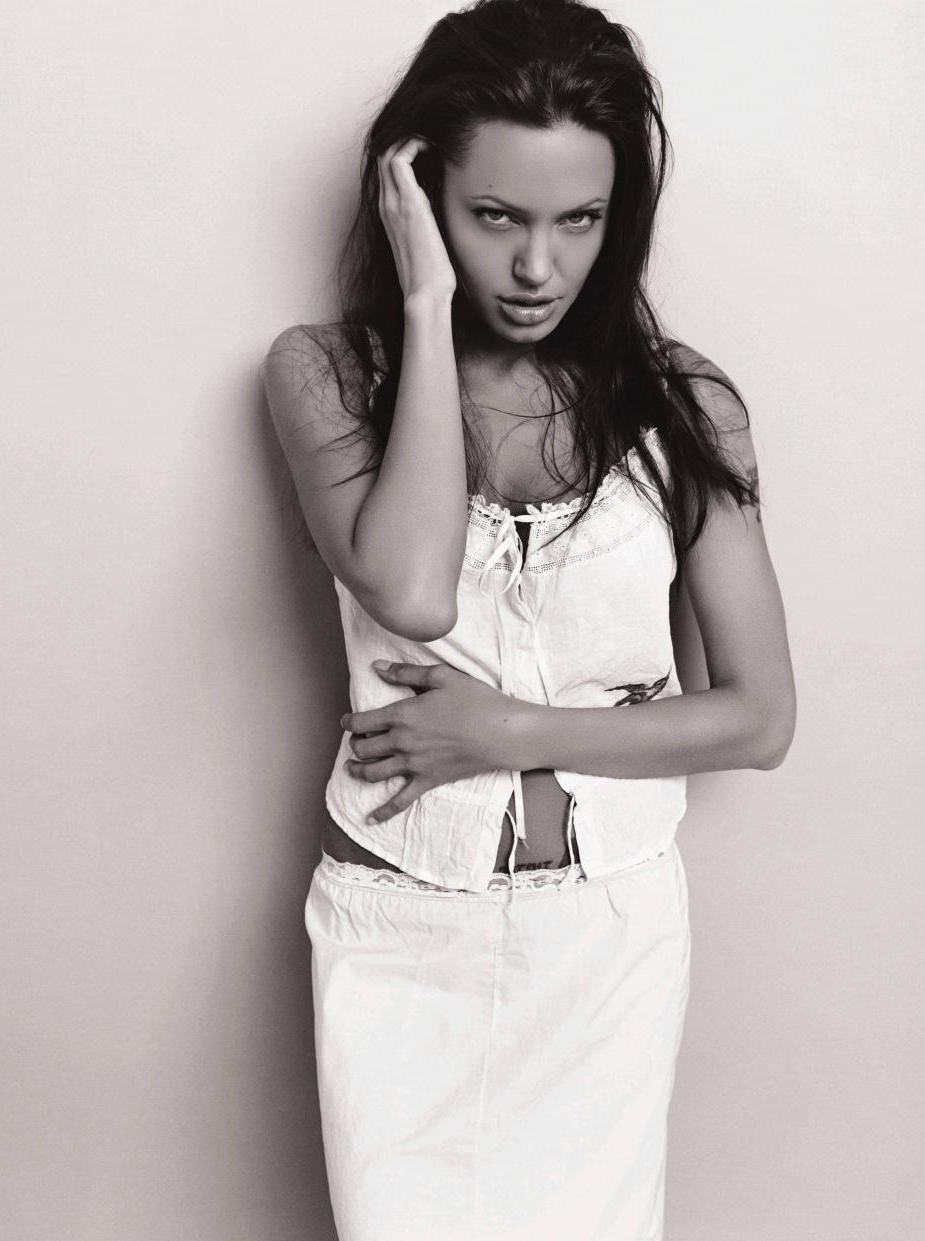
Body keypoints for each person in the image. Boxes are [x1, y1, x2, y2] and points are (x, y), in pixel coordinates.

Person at [263, 1, 796, 1237]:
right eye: (495, 215)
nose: (538, 268)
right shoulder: (324, 375)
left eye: (580, 220)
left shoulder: (687, 407)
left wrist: (507, 729)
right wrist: (423, 305)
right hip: (401, 929)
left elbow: (759, 717)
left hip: (609, 942)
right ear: (415, 194)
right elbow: (411, 591)